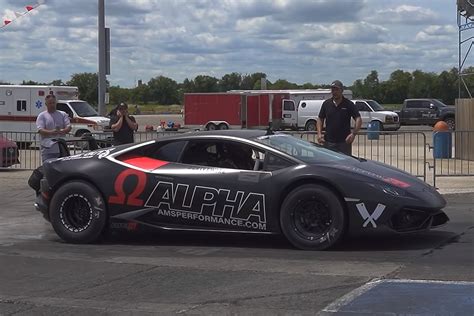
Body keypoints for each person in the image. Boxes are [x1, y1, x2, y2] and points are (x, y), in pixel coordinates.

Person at [317, 80, 362, 155]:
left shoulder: (348, 104)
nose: (334, 92)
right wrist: (319, 134)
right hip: (329, 142)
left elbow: (358, 119)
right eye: (332, 89)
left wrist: (353, 134)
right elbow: (320, 119)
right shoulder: (326, 104)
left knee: (344, 166)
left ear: (342, 90)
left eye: (336, 89)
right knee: (329, 165)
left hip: (344, 143)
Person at [36, 94, 72, 163]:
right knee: (48, 170)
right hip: (48, 149)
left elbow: (69, 126)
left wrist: (63, 131)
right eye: (50, 103)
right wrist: (52, 132)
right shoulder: (42, 115)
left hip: (61, 148)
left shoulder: (63, 114)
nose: (52, 105)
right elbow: (40, 130)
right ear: (46, 104)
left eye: (53, 103)